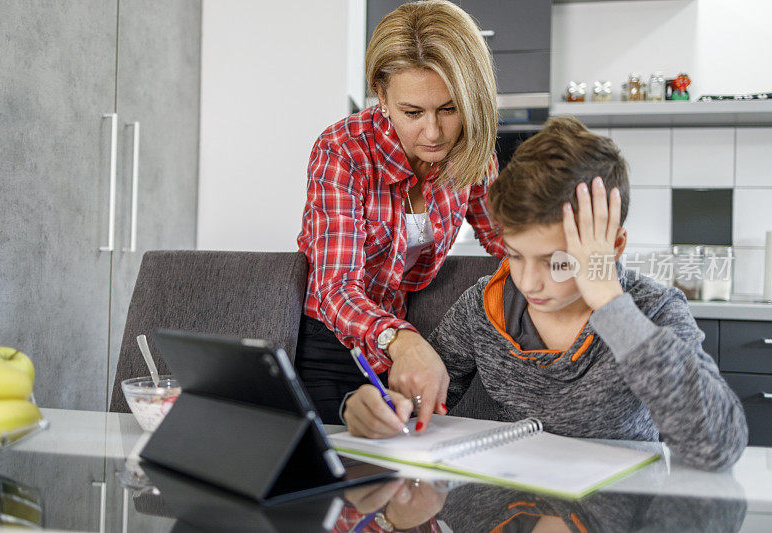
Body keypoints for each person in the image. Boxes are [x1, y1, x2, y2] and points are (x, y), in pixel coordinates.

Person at [342, 116, 748, 470]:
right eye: (516, 256)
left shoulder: (652, 311)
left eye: (558, 263)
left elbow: (718, 445)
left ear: (612, 247)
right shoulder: (487, 305)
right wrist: (374, 408)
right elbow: (414, 403)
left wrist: (608, 299)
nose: (530, 282)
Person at [295, 0, 506, 424]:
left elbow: (507, 239)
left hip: (413, 348)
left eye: (450, 109)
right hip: (335, 345)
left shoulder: (472, 153)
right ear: (382, 94)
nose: (433, 132)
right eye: (413, 113)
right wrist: (400, 339)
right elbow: (336, 287)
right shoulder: (343, 150)